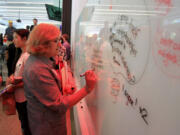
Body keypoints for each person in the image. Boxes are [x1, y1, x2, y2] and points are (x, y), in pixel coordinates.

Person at [23, 23, 97, 135]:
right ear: (44, 43)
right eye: (56, 40)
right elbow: (59, 105)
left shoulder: (40, 60)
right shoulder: (37, 69)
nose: (60, 45)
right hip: (47, 127)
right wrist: (87, 89)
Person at [6, 29, 31, 135]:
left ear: (25, 39)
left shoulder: (28, 56)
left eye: (16, 37)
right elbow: (18, 73)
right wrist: (12, 77)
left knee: (27, 126)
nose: (14, 40)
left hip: (26, 98)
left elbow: (30, 80)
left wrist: (14, 86)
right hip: (19, 98)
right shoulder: (21, 54)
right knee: (23, 124)